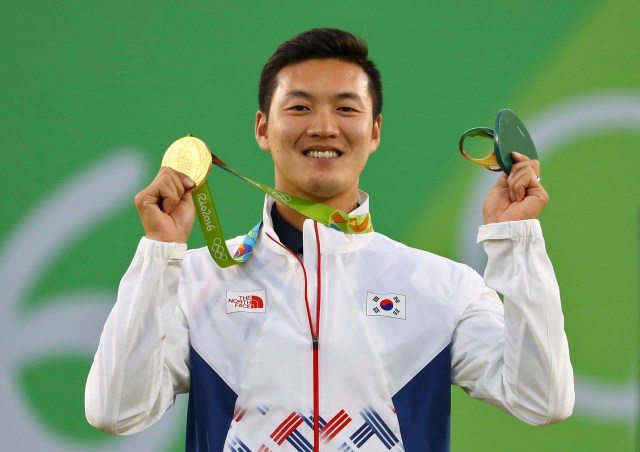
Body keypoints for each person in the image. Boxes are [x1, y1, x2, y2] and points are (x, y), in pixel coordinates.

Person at [85, 28, 574, 451]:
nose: (324, 127)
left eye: (346, 108)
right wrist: (160, 254)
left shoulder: (443, 289)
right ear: (263, 128)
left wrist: (517, 240)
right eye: (299, 107)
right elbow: (117, 410)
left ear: (375, 130)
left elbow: (542, 399)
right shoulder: (195, 280)